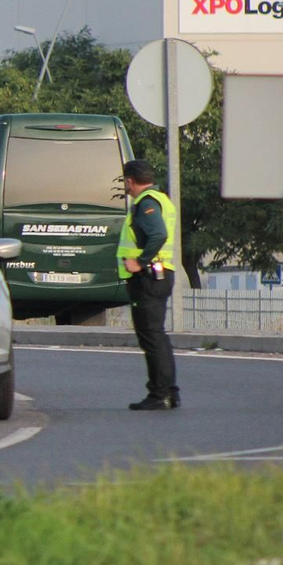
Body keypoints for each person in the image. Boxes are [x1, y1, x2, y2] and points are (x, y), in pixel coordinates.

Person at [119, 159, 180, 410]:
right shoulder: (160, 198)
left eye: (125, 181)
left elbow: (158, 235)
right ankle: (169, 392)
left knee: (151, 337)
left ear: (130, 181)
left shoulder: (146, 203)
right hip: (160, 275)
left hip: (148, 279)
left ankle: (160, 395)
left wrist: (140, 262)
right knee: (157, 336)